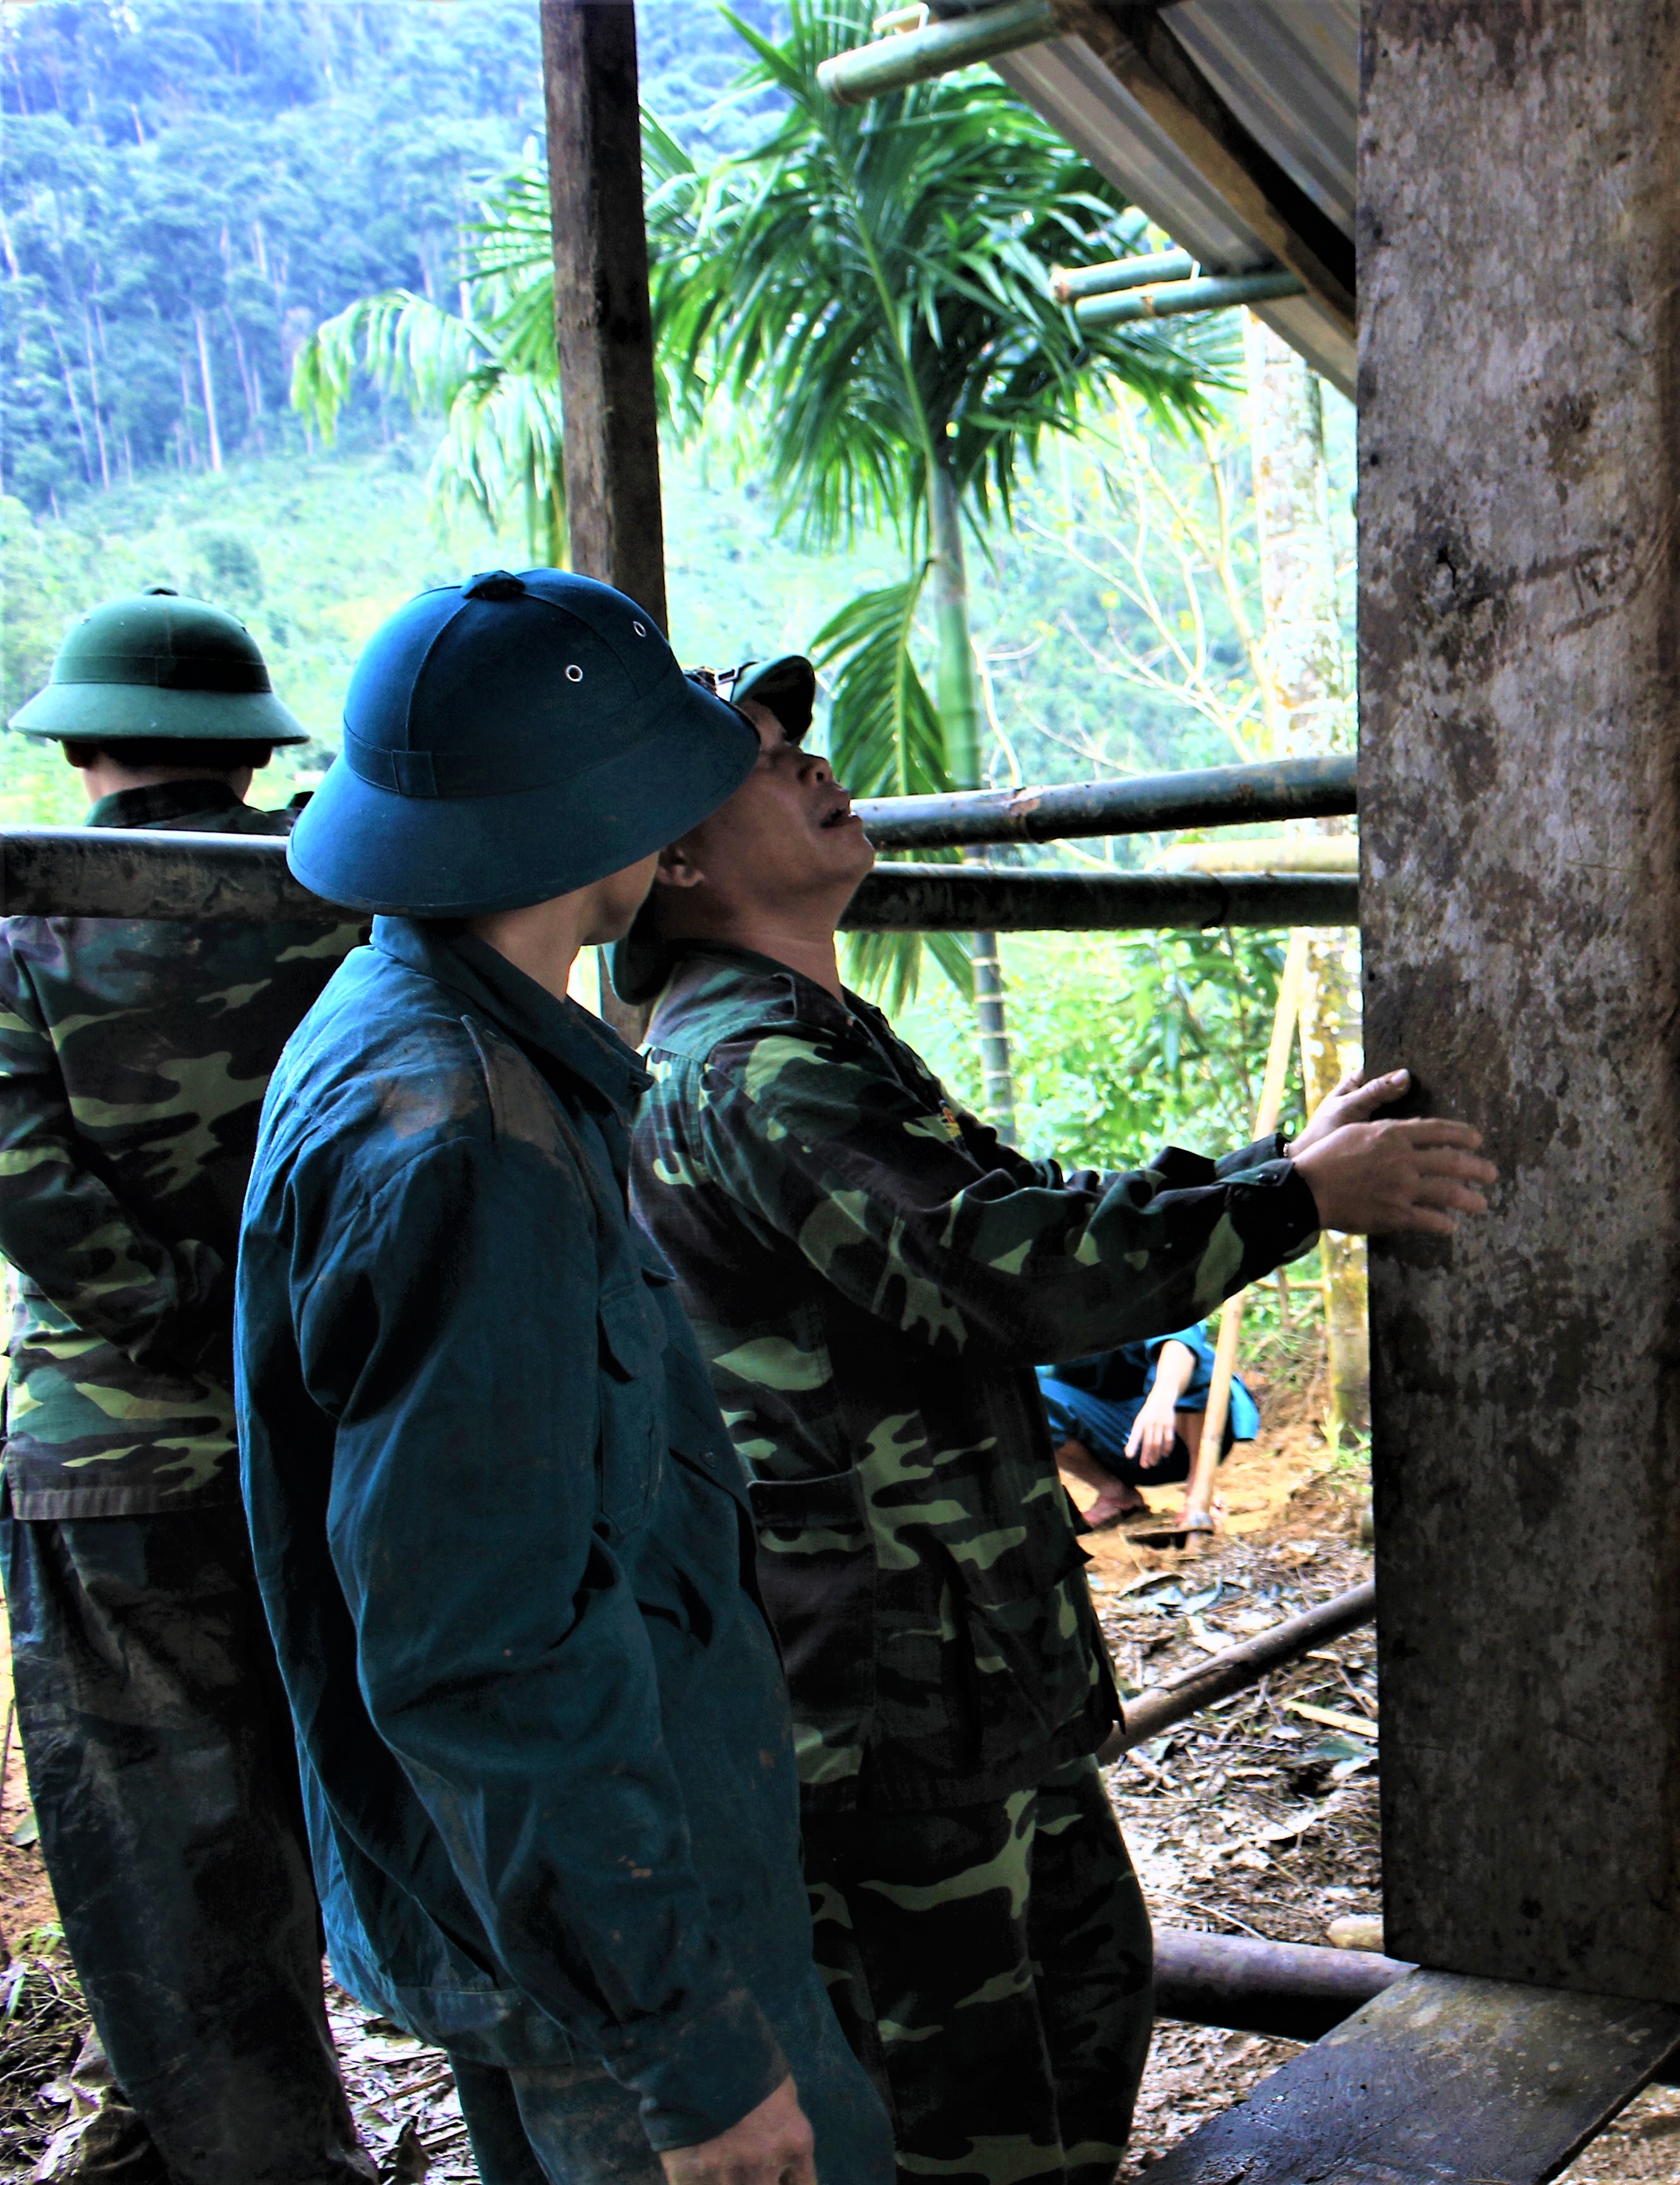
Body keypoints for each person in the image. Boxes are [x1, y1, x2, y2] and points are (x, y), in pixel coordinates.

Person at [614, 661, 1495, 2182]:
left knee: (1075, 2006)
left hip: (958, 1658)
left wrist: (1274, 1169)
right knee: (975, 2108)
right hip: (883, 1686)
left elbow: (1006, 1218)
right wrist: (1292, 1195)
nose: (816, 767)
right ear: (678, 855)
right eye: (767, 759)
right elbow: (1006, 1270)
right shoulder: (750, 1067)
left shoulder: (812, 1032)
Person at [238, 575, 892, 2185]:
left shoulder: (419, 1032)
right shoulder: (471, 1142)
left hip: (550, 1911)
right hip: (617, 1941)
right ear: (590, 816)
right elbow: (488, 1648)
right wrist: (696, 2053)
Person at [0, 591, 370, 2184]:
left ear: (79, 743)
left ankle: (264, 2157)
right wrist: (278, 1335)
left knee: (168, 1854)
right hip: (336, 1434)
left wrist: (172, 1319)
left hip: (117, 1464)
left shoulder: (25, 920)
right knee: (372, 1780)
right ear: (251, 745)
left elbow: (24, 1176)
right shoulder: (335, 896)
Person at [1040, 1323, 1259, 1529]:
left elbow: (1180, 1341)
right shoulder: (1051, 1311)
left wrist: (1162, 1398)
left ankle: (1200, 1490)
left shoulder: (1150, 1286)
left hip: (1191, 1433)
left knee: (1195, 1361)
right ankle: (1116, 1494)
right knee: (1024, 1398)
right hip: (1122, 1445)